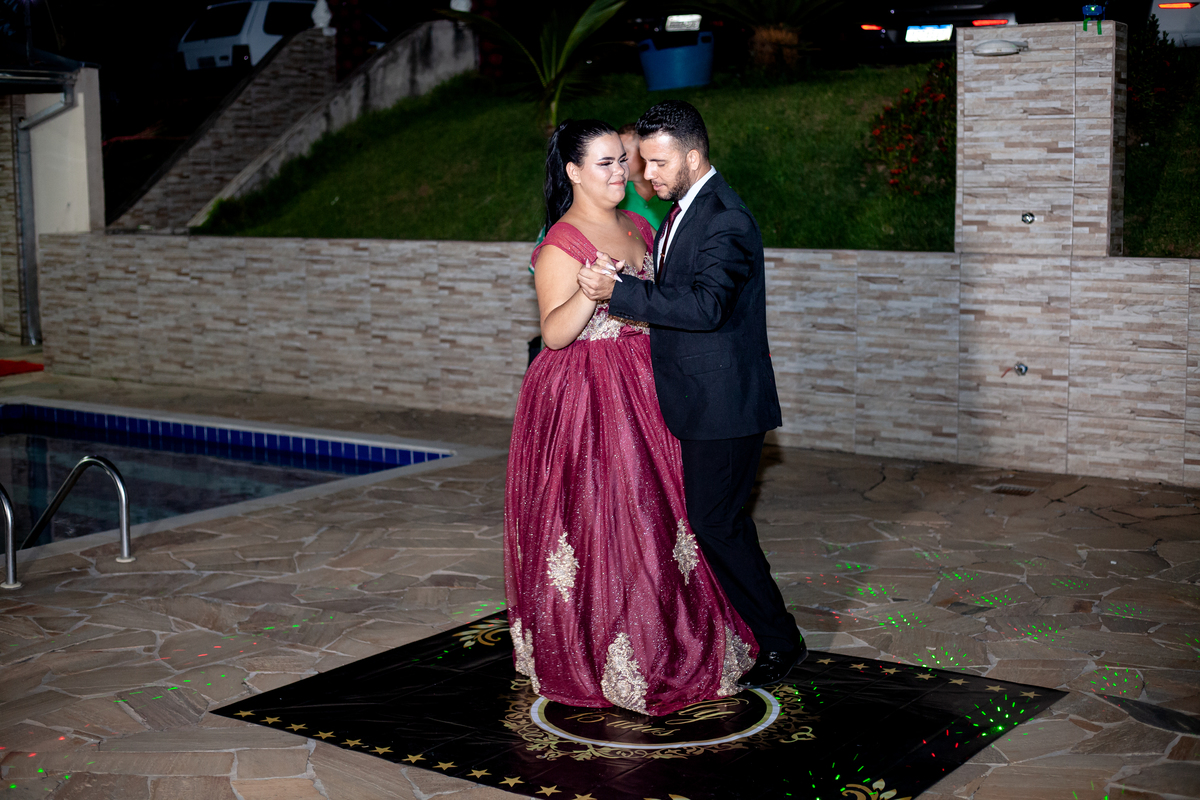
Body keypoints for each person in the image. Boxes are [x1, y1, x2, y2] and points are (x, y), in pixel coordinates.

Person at [504, 118, 758, 717]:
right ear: (573, 172)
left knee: (671, 517)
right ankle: (613, 648)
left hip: (651, 384)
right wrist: (590, 292)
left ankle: (679, 637)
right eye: (607, 163)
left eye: (624, 159)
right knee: (612, 520)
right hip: (589, 399)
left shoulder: (642, 225)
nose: (623, 171)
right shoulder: (560, 242)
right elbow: (554, 334)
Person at [578, 101, 807, 688]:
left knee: (716, 523)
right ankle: (753, 628)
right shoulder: (685, 209)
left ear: (693, 155)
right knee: (717, 522)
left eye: (658, 163)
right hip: (699, 398)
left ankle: (780, 641)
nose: (646, 174)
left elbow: (707, 307)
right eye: (643, 162)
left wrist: (617, 292)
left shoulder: (725, 218)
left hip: (725, 403)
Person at [616, 123, 672, 229]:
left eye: (624, 153)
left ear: (643, 153)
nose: (617, 160)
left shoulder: (673, 189)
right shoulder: (618, 192)